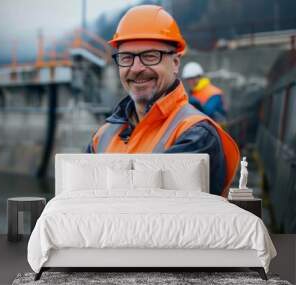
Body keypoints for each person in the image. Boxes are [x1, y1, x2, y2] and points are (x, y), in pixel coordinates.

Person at [85, 5, 239, 197]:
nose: (136, 68)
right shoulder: (103, 136)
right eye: (126, 58)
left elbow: (163, 216)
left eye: (150, 56)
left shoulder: (196, 135)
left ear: (175, 63)